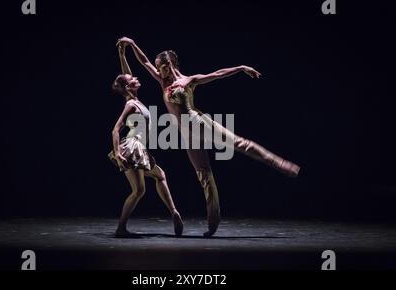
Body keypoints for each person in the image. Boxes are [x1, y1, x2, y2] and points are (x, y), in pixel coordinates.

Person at [117, 37, 301, 238]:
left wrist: (240, 67)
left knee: (240, 144)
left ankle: (280, 163)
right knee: (204, 174)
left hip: (199, 123)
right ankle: (213, 222)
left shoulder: (189, 80)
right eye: (159, 68)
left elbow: (217, 74)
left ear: (170, 65)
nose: (159, 71)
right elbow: (144, 62)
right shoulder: (162, 82)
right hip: (186, 134)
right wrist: (132, 44)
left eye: (162, 67)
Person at [109, 42, 183, 238]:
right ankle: (121, 228)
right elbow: (115, 130)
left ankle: (174, 212)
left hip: (140, 148)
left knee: (160, 176)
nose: (135, 77)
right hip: (132, 148)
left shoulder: (135, 100)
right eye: (132, 79)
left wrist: (122, 53)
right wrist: (117, 154)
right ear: (127, 86)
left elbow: (126, 74)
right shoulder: (131, 104)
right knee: (139, 190)